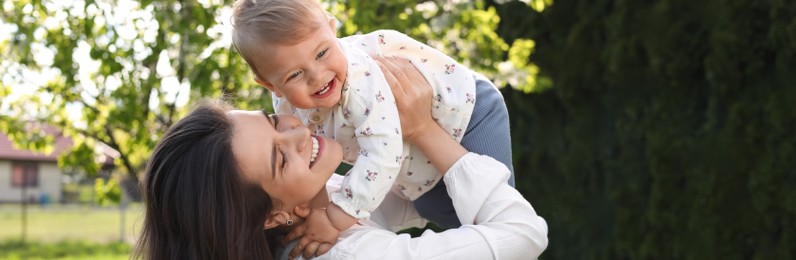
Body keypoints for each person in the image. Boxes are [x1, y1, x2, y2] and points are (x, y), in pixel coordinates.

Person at [133, 57, 547, 259]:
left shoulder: (309, 211)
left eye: (272, 121)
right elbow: (525, 235)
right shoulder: (350, 256)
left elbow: (405, 203)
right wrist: (423, 130)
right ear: (271, 217)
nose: (297, 130)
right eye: (280, 159)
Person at [230, 1, 516, 246]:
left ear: (332, 30)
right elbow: (311, 158)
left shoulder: (361, 80)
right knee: (440, 210)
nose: (317, 76)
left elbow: (382, 153)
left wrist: (334, 218)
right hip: (419, 161)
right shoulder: (284, 109)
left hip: (469, 115)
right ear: (271, 84)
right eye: (294, 74)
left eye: (321, 53)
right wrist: (314, 208)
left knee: (491, 209)